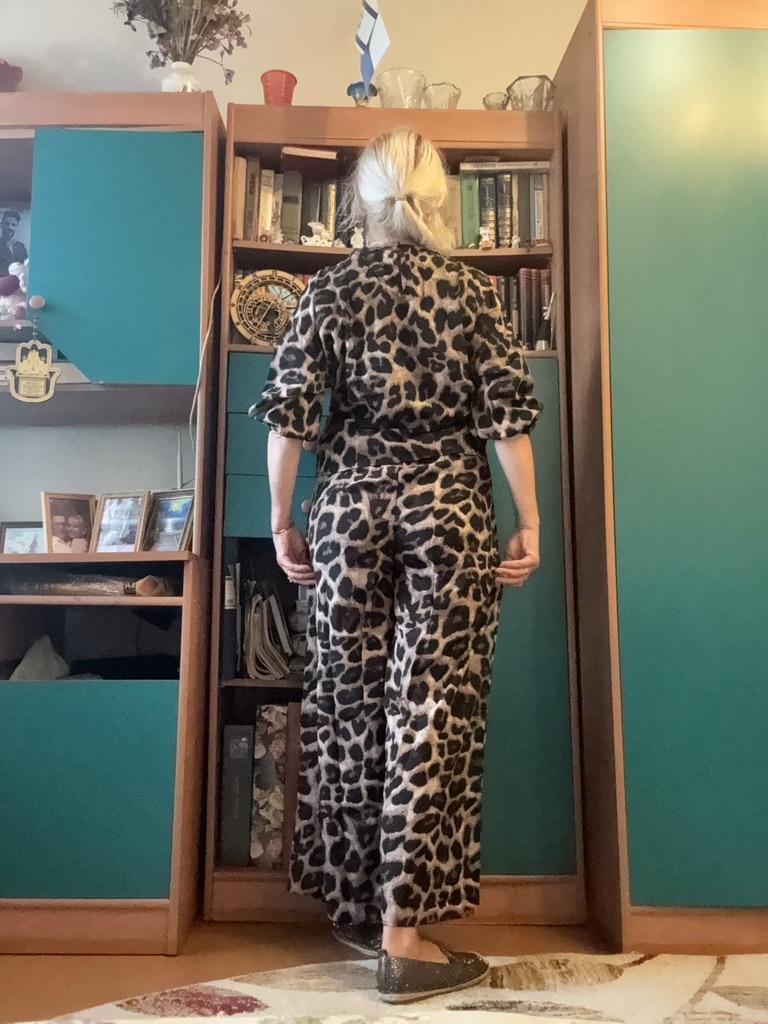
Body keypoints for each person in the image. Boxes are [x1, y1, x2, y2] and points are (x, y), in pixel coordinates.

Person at [251, 128, 543, 1004]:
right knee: (432, 713)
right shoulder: (474, 291)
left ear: (362, 201)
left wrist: (281, 522)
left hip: (349, 513)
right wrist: (528, 522)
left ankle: (359, 907)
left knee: (349, 705)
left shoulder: (328, 289)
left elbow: (288, 420)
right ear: (439, 201)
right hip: (448, 515)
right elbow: (507, 421)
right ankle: (404, 937)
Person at [0, 210, 27, 277]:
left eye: (13, 225)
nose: (10, 227)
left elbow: (26, 267)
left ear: (17, 226)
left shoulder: (20, 246)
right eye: (7, 224)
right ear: (1, 225)